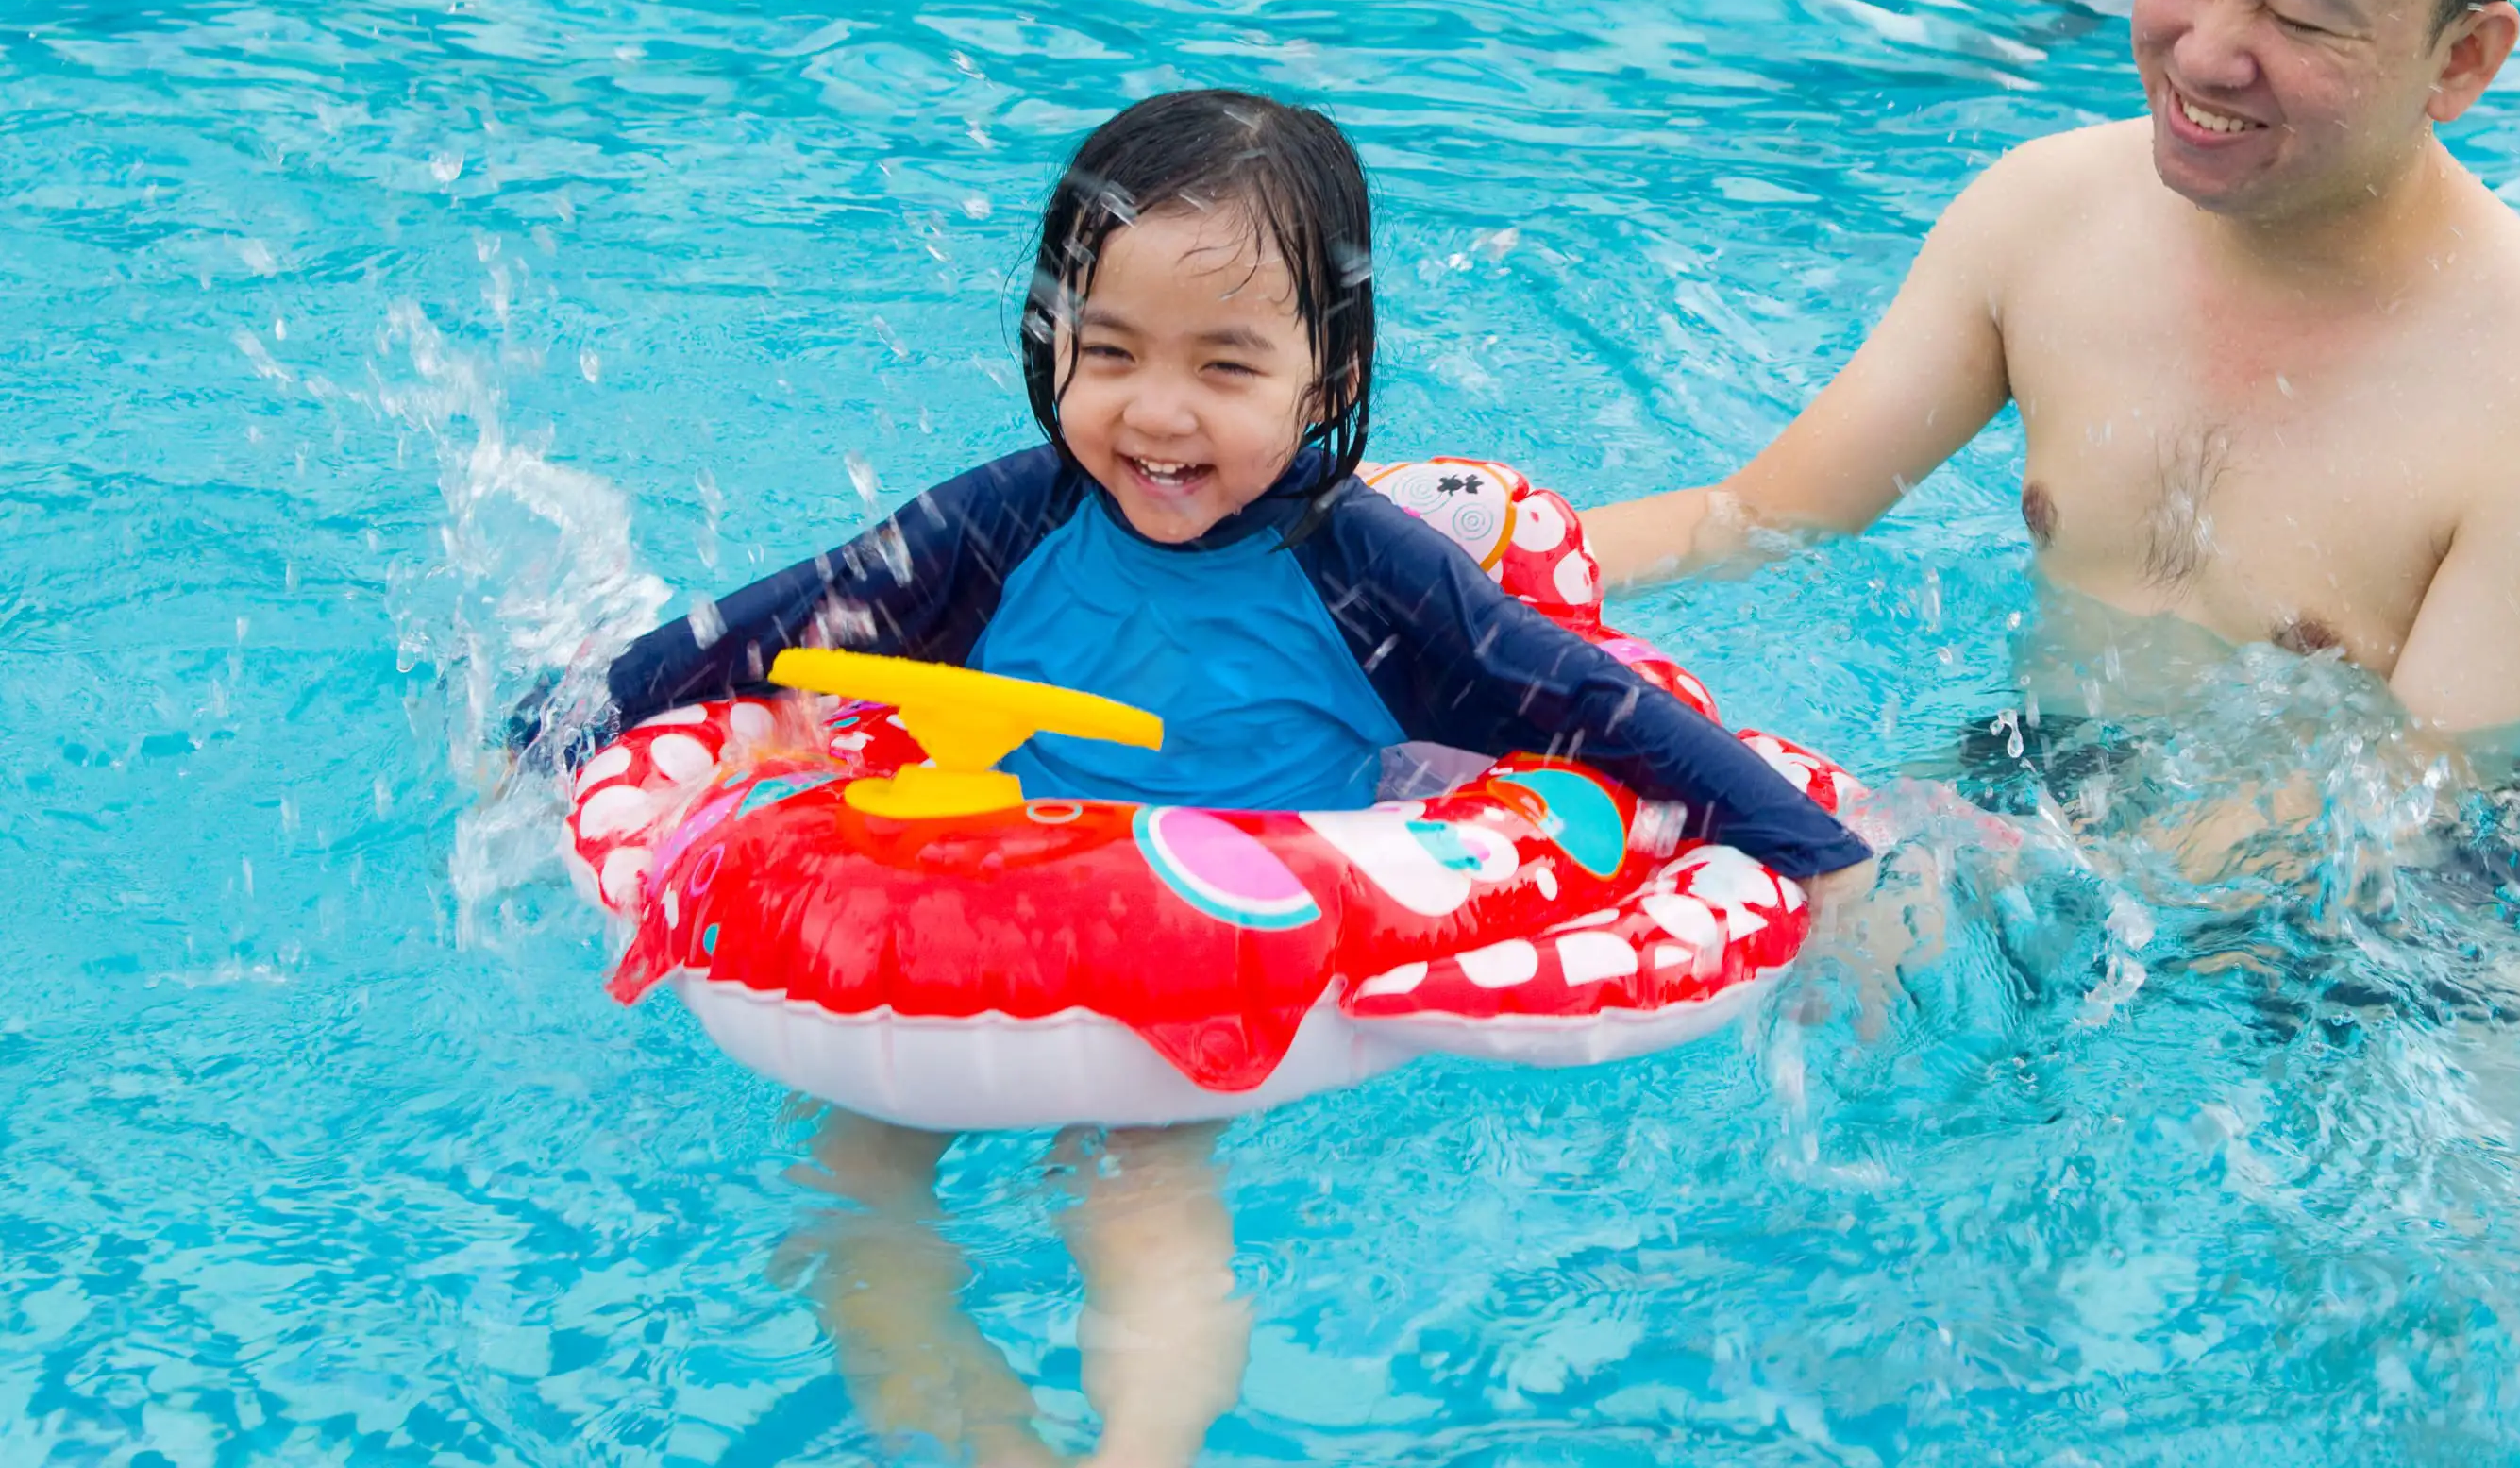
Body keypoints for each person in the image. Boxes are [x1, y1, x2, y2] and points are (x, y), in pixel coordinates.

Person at [579, 88, 1877, 1463]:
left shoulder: (1364, 572)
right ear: (1053, 339)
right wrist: (566, 716)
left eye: (1226, 367)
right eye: (1111, 349)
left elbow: (1584, 705)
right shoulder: (1006, 521)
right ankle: (975, 1439)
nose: (1156, 412)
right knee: (842, 1175)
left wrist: (1821, 854)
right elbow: (784, 621)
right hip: (984, 910)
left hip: (1213, 950)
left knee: (1130, 1179)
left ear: (1323, 380)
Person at [1589, 0, 2520, 789]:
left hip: (2449, 874)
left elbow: (2409, 798)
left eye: (2297, 20)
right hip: (2071, 763)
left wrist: (1985, 869)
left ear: (2464, 59)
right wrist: (1463, 558)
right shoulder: (2043, 218)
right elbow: (1762, 515)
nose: (2204, 55)